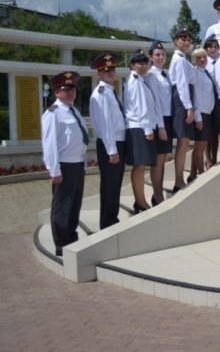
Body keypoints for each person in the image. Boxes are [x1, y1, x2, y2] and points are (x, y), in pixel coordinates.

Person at [42, 71, 88, 256]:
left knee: (75, 206)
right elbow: (49, 144)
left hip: (76, 164)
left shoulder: (74, 111)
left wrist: (83, 165)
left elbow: (81, 141)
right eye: (65, 89)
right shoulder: (53, 114)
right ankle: (61, 244)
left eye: (72, 88)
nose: (70, 92)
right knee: (62, 207)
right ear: (56, 92)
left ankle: (71, 238)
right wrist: (54, 171)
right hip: (63, 166)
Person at [89, 53, 126, 230]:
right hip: (110, 144)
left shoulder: (111, 90)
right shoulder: (101, 93)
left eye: (112, 69)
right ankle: (107, 223)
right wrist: (112, 150)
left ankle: (112, 219)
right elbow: (105, 125)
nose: (111, 73)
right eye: (106, 70)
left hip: (117, 142)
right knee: (110, 186)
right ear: (99, 73)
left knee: (115, 184)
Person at [124, 50, 161, 214]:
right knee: (140, 166)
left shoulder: (140, 80)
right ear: (132, 65)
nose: (144, 65)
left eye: (145, 62)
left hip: (141, 126)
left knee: (141, 166)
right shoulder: (136, 81)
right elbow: (141, 108)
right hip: (139, 127)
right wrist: (148, 130)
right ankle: (140, 201)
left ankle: (140, 201)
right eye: (140, 62)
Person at [169, 26, 196, 194]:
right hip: (182, 100)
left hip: (184, 100)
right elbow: (181, 84)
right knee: (182, 142)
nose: (186, 42)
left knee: (184, 143)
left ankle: (179, 180)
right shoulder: (179, 60)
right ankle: (178, 181)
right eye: (182, 38)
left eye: (188, 39)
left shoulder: (182, 58)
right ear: (175, 40)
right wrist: (188, 107)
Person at [145, 40, 171, 206]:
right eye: (157, 55)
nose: (160, 57)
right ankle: (157, 194)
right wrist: (161, 126)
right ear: (151, 57)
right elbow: (156, 103)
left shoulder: (164, 74)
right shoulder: (151, 75)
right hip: (159, 121)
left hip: (167, 119)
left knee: (162, 160)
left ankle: (158, 193)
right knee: (158, 160)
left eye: (162, 55)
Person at [188, 47, 216, 181]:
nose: (203, 59)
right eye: (199, 57)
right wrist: (198, 117)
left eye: (204, 57)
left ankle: (193, 174)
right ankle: (201, 174)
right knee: (200, 146)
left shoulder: (205, 72)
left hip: (208, 112)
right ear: (193, 59)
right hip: (201, 112)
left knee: (201, 145)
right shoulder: (196, 73)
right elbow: (196, 96)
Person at [203, 35, 220, 168]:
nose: (213, 49)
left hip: (219, 99)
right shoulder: (204, 62)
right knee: (207, 131)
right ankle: (207, 158)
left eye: (215, 47)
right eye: (210, 47)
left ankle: (214, 157)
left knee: (216, 130)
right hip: (207, 99)